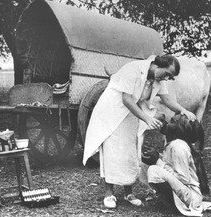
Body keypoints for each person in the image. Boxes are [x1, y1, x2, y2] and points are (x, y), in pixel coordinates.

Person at [82, 55, 196, 209]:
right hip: (113, 110)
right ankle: (109, 192)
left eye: (170, 77)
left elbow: (167, 100)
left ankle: (128, 192)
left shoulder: (159, 80)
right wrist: (147, 119)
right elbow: (126, 99)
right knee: (112, 150)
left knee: (131, 149)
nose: (166, 78)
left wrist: (183, 110)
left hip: (131, 113)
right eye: (167, 73)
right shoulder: (133, 69)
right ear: (158, 64)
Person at [142, 115, 211, 216]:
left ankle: (175, 206)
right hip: (186, 193)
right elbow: (172, 166)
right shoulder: (176, 144)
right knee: (150, 166)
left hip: (190, 197)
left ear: (179, 130)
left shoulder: (178, 147)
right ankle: (173, 202)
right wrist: (157, 156)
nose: (167, 123)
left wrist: (158, 161)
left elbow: (183, 179)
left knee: (153, 170)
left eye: (172, 122)